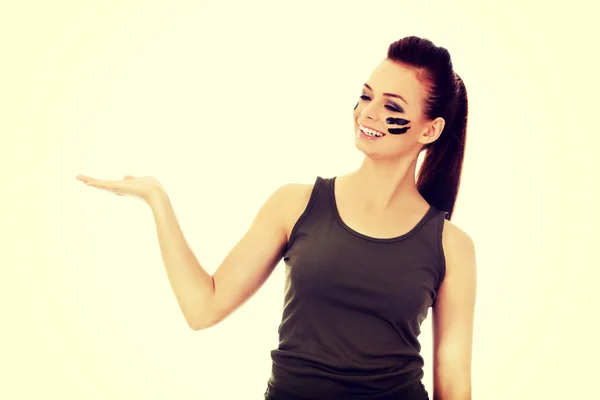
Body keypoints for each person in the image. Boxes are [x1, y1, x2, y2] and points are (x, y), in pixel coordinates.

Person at [76, 35, 477, 400]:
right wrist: (157, 200)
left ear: (430, 130)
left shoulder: (451, 246)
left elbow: (454, 381)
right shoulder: (295, 204)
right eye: (365, 96)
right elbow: (203, 308)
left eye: (391, 106)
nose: (367, 112)